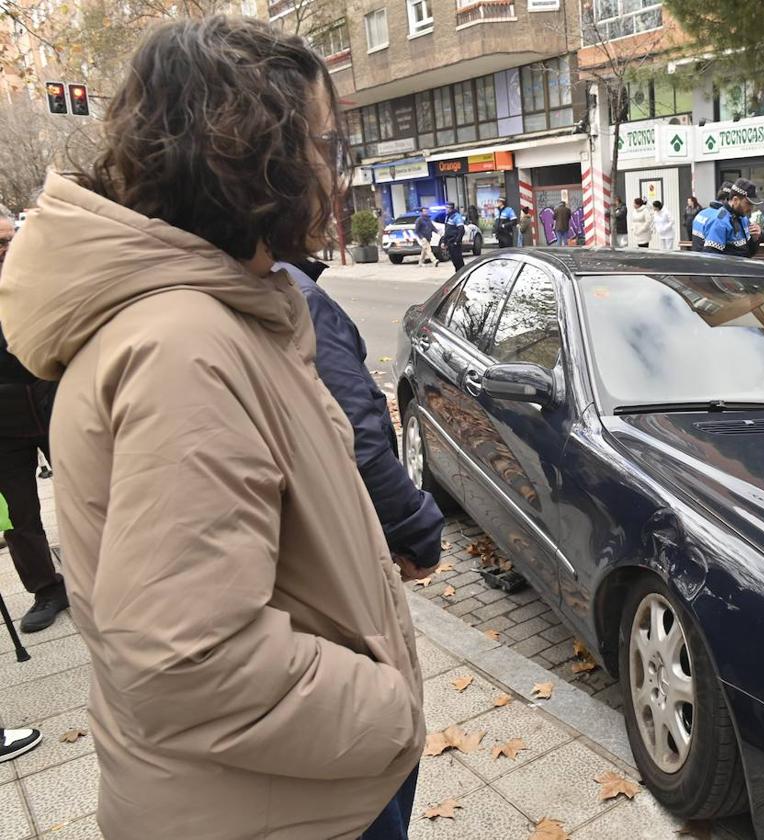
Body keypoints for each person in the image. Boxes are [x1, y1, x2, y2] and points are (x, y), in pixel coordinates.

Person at [0, 17, 427, 839]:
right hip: (289, 802)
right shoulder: (183, 346)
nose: (332, 176)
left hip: (289, 785)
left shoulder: (211, 317)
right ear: (251, 158)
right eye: (321, 147)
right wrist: (388, 712)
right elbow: (185, 656)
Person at [280, 257, 445, 573]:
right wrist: (415, 533)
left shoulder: (263, 284)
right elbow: (354, 430)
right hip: (337, 526)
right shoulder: (299, 297)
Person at [0, 215, 67, 633]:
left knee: (97, 488)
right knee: (20, 512)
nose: (6, 248)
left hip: (53, 398)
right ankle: (46, 588)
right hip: (3, 420)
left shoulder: (40, 273)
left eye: (9, 239)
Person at [702, 178, 762, 258]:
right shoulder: (720, 221)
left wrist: (755, 239)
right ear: (735, 200)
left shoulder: (743, 218)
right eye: (748, 203)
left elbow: (748, 253)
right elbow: (711, 258)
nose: (751, 208)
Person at [691, 182, 732, 250]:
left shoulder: (702, 213)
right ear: (727, 200)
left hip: (696, 255)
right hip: (707, 257)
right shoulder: (721, 216)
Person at [445, 201, 466, 269]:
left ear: (450, 208)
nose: (446, 209)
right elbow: (446, 230)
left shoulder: (457, 216)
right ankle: (457, 274)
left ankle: (462, 274)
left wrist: (457, 241)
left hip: (455, 242)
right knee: (454, 260)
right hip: (449, 242)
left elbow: (461, 230)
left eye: (447, 208)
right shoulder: (448, 217)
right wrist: (444, 242)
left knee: (458, 260)